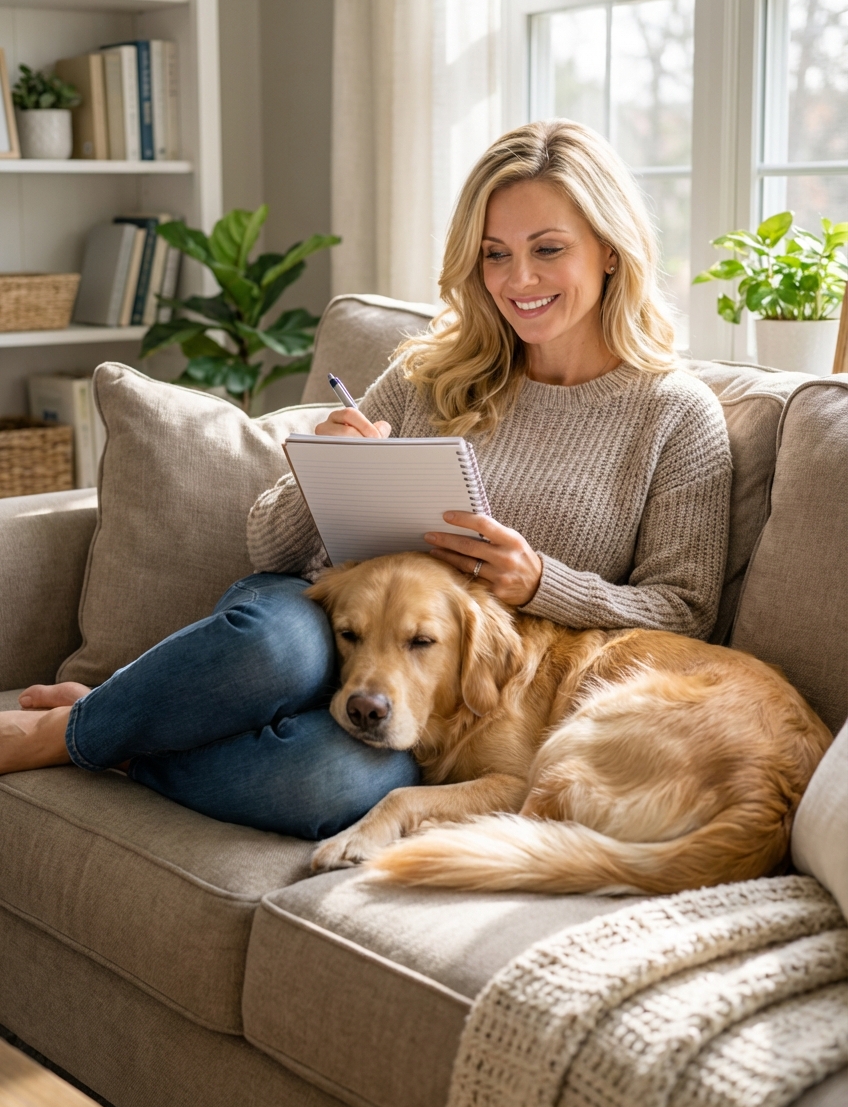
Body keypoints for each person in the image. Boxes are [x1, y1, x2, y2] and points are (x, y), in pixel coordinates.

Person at [0, 121, 732, 839]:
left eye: (548, 250)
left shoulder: (676, 416)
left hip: (442, 685)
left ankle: (129, 733)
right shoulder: (433, 371)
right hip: (324, 619)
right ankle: (71, 730)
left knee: (333, 783)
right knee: (270, 650)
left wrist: (541, 582)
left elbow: (687, 610)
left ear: (609, 250)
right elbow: (268, 544)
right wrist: (323, 465)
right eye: (495, 254)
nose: (519, 280)